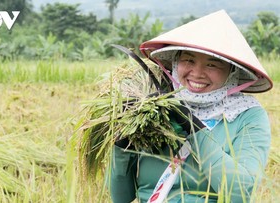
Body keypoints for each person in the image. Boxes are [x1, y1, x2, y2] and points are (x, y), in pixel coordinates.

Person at [109, 10, 273, 203]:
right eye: (188, 60)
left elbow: (239, 193)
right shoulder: (153, 110)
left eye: (212, 65)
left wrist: (194, 129)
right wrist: (121, 145)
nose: (197, 73)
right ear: (176, 63)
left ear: (232, 72)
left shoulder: (247, 115)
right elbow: (120, 197)